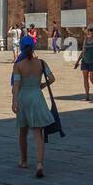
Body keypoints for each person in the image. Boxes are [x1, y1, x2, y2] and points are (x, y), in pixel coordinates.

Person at [11, 35, 56, 177]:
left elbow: (16, 85)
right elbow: (52, 78)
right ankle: (40, 163)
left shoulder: (18, 65)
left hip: (24, 98)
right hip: (37, 97)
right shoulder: (41, 63)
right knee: (38, 134)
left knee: (23, 132)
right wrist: (40, 86)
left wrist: (14, 101)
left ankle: (24, 160)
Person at [75, 26, 93, 102]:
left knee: (92, 78)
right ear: (88, 32)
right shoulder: (86, 40)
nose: (92, 31)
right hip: (85, 61)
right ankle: (87, 96)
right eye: (90, 30)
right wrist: (77, 61)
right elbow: (83, 51)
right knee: (85, 78)